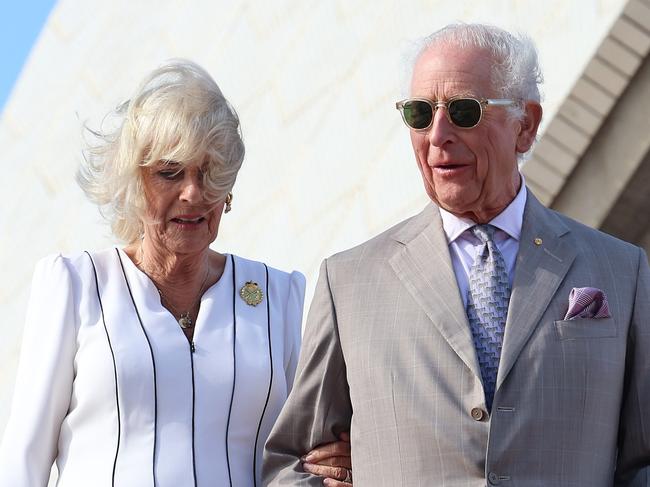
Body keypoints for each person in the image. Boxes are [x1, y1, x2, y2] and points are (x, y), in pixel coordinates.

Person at [264, 23, 650, 485]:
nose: (438, 134)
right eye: (419, 113)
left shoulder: (621, 270)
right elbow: (290, 464)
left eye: (464, 111)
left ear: (525, 126)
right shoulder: (347, 283)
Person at [0, 60, 350, 487]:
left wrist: (343, 458)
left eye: (209, 174)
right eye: (169, 173)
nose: (192, 193)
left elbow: (310, 447)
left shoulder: (278, 296)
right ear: (133, 181)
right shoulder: (76, 286)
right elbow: (23, 461)